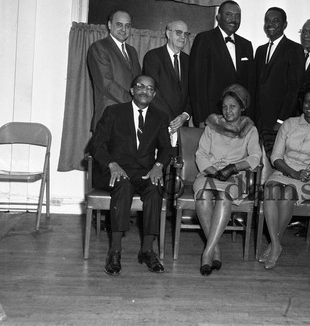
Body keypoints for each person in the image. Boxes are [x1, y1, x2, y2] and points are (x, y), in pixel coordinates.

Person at [90, 75, 174, 275]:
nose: (145, 91)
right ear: (132, 90)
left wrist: (158, 166)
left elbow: (166, 149)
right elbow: (96, 144)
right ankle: (115, 250)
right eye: (141, 87)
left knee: (155, 187)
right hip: (115, 171)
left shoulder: (160, 117)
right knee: (123, 183)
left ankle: (147, 250)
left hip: (143, 172)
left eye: (150, 88)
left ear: (153, 94)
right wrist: (112, 164)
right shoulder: (113, 112)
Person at [261, 83, 310, 270]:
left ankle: (273, 245)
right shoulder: (289, 124)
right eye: (307, 102)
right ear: (301, 103)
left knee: (288, 193)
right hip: (284, 171)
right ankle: (276, 244)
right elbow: (276, 156)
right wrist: (293, 173)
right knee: (270, 189)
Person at [193, 84, 262, 276]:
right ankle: (215, 249)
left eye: (232, 106)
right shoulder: (212, 126)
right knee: (203, 195)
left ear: (242, 108)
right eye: (224, 106)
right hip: (209, 173)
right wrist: (215, 172)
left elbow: (255, 157)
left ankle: (207, 252)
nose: (228, 110)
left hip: (235, 176)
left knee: (225, 196)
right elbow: (201, 154)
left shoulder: (250, 129)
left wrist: (233, 168)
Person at [189, 0, 256, 126]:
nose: (233, 19)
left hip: (240, 119)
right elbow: (196, 83)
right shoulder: (204, 39)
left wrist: (248, 118)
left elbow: (250, 85)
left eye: (237, 16)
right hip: (212, 116)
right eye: (229, 14)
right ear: (218, 17)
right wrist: (201, 118)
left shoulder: (246, 45)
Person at [255, 7, 305, 156]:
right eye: (267, 21)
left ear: (285, 25)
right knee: (257, 160)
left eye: (276, 21)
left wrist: (281, 120)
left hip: (279, 121)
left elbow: (294, 89)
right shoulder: (260, 50)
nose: (270, 24)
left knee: (275, 160)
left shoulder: (294, 50)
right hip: (259, 120)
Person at [88, 10, 141, 131]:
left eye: (127, 26)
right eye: (119, 24)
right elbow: (106, 84)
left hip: (130, 119)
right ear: (110, 25)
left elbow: (138, 82)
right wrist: (134, 103)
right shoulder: (99, 47)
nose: (124, 29)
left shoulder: (132, 51)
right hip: (109, 118)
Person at [142, 20, 191, 141]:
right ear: (168, 34)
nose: (183, 37)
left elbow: (193, 93)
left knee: (178, 159)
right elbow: (152, 92)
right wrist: (173, 120)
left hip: (182, 126)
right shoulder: (153, 57)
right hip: (159, 122)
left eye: (186, 34)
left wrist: (185, 115)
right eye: (178, 32)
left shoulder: (189, 61)